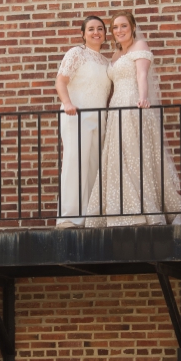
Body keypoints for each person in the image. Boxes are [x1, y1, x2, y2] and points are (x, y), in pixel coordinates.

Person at [99, 11, 181, 226]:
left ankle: (144, 208)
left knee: (135, 154)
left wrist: (143, 98)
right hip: (115, 106)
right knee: (119, 156)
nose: (119, 31)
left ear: (133, 27)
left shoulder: (140, 47)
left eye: (123, 26)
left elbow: (141, 76)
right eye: (115, 27)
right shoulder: (116, 54)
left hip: (132, 103)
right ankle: (123, 207)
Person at [54, 15, 111, 226]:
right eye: (91, 29)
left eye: (100, 29)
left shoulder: (106, 61)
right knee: (75, 163)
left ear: (105, 34)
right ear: (83, 34)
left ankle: (91, 215)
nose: (96, 32)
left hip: (100, 118)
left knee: (94, 165)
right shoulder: (76, 53)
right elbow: (61, 80)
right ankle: (70, 217)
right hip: (76, 114)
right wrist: (67, 102)